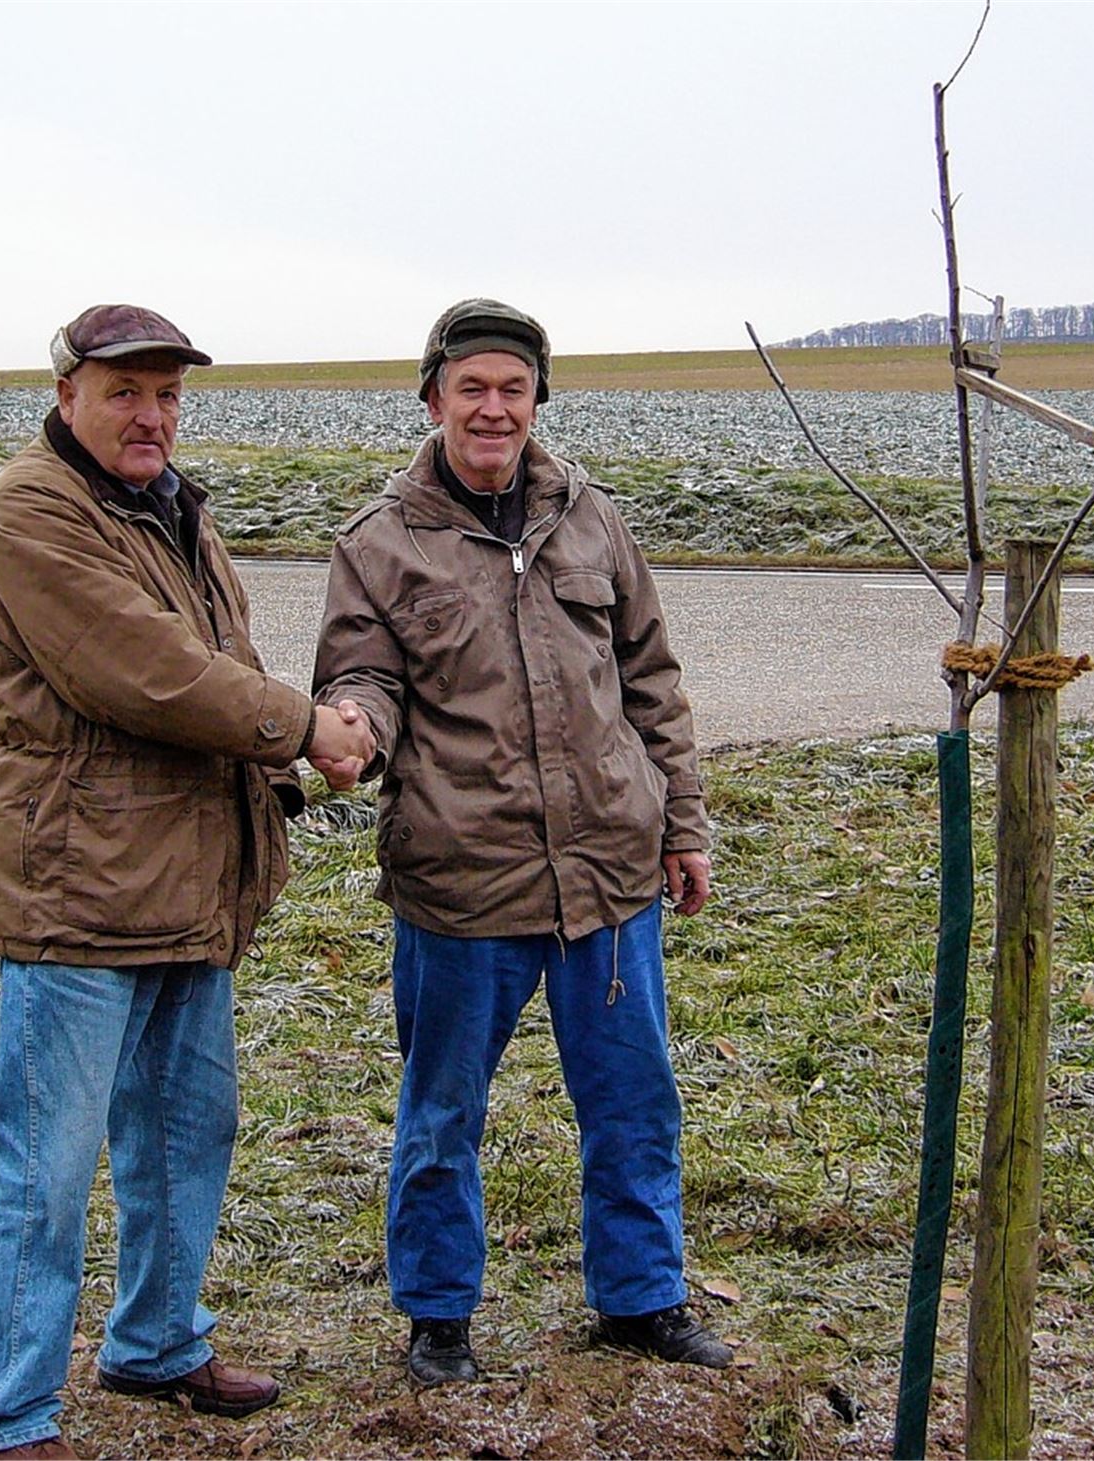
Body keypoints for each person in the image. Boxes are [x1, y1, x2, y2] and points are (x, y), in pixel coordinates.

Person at [312, 297, 732, 1386]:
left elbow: (651, 681)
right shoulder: (377, 544)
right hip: (461, 882)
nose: (493, 408)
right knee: (443, 1111)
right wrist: (355, 726)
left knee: (633, 1099)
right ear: (433, 399)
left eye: (513, 388)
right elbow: (362, 676)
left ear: (538, 400)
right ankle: (438, 1314)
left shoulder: (593, 520)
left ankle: (642, 1297)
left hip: (609, 874)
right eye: (472, 388)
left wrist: (682, 822)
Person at [0, 304, 373, 1460]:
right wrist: (305, 728)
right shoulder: (26, 514)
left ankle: (157, 1343)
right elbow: (146, 673)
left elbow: (220, 658)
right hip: (80, 891)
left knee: (185, 1133)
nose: (151, 415)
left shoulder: (167, 507)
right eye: (125, 393)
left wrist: (287, 752)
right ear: (66, 397)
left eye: (167, 395)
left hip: (185, 883)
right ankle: (11, 1410)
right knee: (46, 1166)